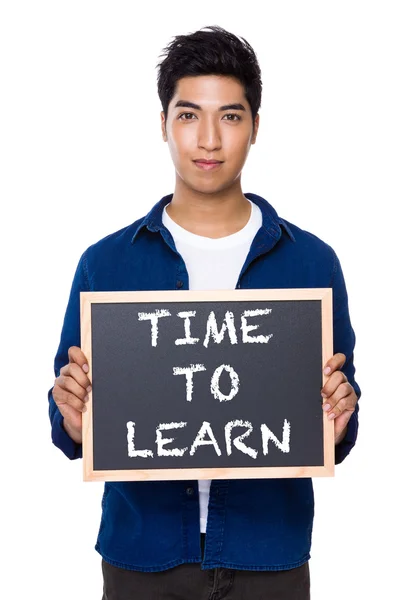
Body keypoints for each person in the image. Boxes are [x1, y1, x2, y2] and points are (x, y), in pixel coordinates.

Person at [49, 25, 360, 600]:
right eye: (189, 115)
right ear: (163, 124)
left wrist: (340, 417)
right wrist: (73, 416)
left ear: (256, 127)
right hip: (142, 558)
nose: (209, 139)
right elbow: (67, 418)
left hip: (270, 557)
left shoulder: (313, 263)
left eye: (232, 116)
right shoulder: (106, 264)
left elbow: (341, 415)